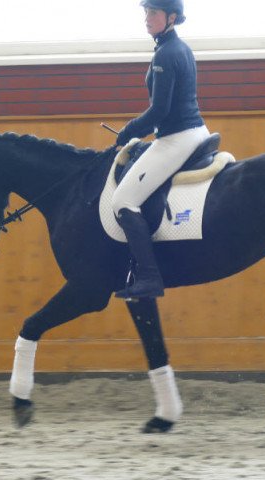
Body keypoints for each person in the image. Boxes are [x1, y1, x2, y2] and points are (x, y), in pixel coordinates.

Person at [111, 0, 209, 299]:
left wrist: (130, 130)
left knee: (123, 201)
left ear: (172, 17)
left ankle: (150, 277)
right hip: (191, 132)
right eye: (145, 12)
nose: (147, 18)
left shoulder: (167, 53)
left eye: (153, 13)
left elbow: (160, 111)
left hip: (177, 138)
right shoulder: (178, 48)